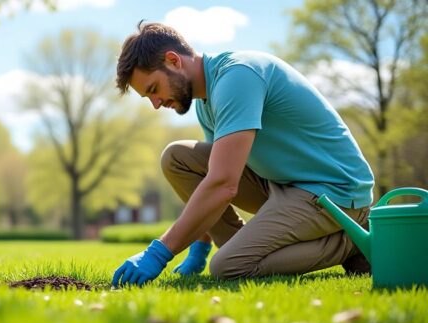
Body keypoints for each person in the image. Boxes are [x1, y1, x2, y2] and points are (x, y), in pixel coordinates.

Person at [111, 21, 374, 287]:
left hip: (334, 192)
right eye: (148, 97)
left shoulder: (238, 76)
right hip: (283, 185)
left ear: (173, 60)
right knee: (177, 157)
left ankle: (352, 242)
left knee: (229, 266)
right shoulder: (207, 101)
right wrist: (199, 247)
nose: (156, 104)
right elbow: (211, 178)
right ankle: (244, 248)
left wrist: (160, 252)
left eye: (154, 89)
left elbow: (223, 183)